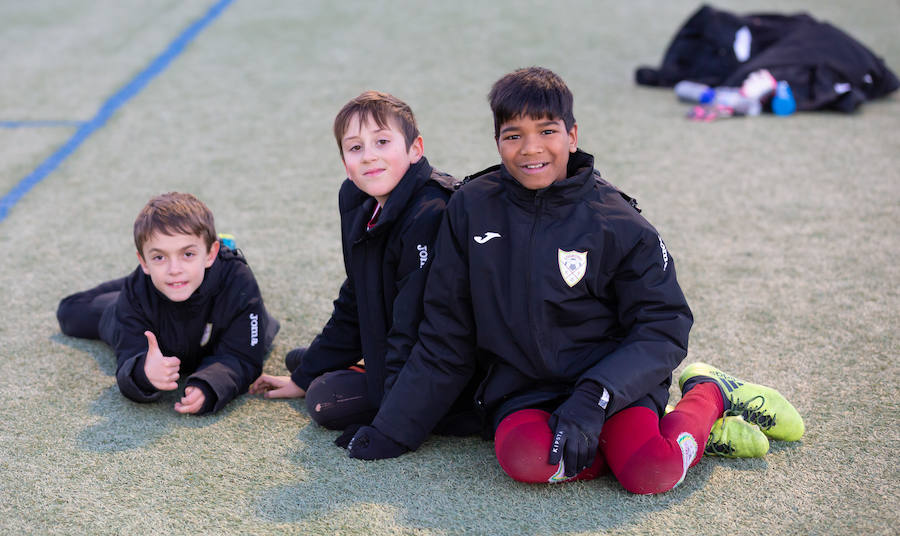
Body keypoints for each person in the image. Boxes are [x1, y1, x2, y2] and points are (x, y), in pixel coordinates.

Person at [344, 67, 804, 494]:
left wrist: (596, 397)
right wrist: (393, 429)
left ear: (572, 135)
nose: (531, 149)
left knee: (651, 472)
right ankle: (611, 445)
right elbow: (446, 332)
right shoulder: (470, 208)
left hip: (610, 384)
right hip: (523, 387)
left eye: (547, 131)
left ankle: (708, 395)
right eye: (513, 135)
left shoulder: (618, 222)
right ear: (497, 141)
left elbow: (664, 324)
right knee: (526, 460)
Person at [249, 91, 478, 442]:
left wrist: (390, 424)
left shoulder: (431, 212)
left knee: (325, 401)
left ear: (415, 149)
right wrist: (303, 376)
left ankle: (365, 370)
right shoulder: (357, 200)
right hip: (393, 340)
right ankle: (354, 365)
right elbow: (356, 295)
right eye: (355, 148)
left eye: (382, 141)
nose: (369, 156)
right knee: (303, 363)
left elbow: (416, 328)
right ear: (344, 161)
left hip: (442, 367)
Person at [57, 192, 279, 415]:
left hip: (204, 318)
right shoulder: (135, 297)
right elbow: (129, 355)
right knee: (70, 313)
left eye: (188, 254)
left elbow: (242, 357)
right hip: (142, 300)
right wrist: (145, 372)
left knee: (263, 331)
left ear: (211, 253)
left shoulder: (238, 281)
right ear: (143, 261)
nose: (175, 269)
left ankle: (161, 272)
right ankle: (148, 276)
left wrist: (209, 385)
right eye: (159, 257)